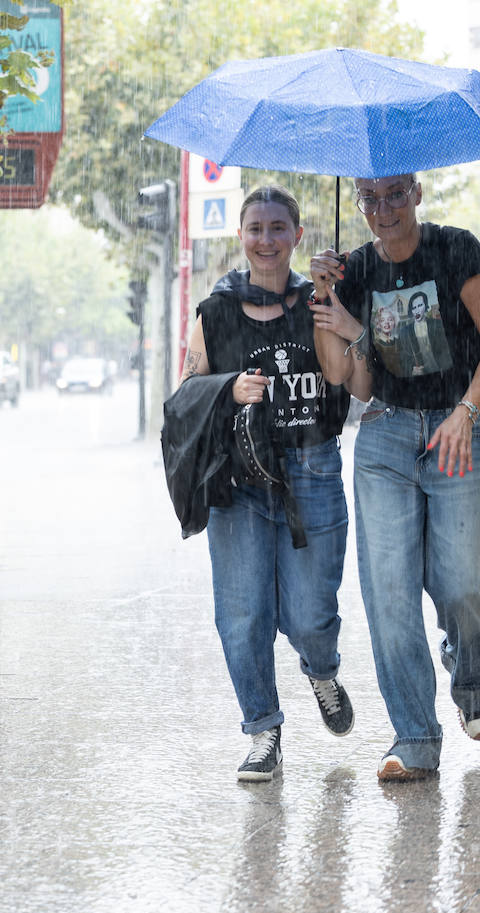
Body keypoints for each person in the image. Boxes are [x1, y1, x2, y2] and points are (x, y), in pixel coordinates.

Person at [309, 173, 480, 782]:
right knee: (388, 595)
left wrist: (465, 413)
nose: (381, 209)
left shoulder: (457, 249)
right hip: (387, 436)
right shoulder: (353, 273)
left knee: (457, 581)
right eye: (369, 197)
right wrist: (330, 306)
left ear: (417, 194)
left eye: (395, 194)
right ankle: (415, 737)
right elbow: (353, 380)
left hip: (465, 425)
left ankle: (476, 671)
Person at [178, 186, 354, 782]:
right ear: (241, 237)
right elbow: (184, 397)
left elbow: (344, 379)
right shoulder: (216, 310)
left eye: (279, 228)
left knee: (308, 617)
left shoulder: (317, 298)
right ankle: (262, 730)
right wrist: (227, 390)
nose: (267, 239)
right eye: (255, 228)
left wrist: (327, 296)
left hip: (314, 470)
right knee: (243, 615)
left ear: (298, 236)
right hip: (241, 478)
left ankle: (322, 668)